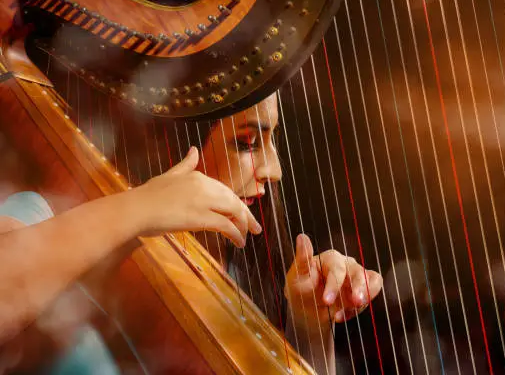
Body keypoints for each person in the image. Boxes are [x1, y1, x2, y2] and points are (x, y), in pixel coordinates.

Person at [0, 93, 383, 374]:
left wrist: (309, 326)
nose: (275, 169)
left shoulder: (236, 275)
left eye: (273, 140)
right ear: (170, 140)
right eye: (248, 142)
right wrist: (141, 207)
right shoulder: (40, 215)